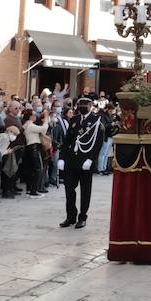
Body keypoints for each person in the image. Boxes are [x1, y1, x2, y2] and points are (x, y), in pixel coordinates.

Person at [59, 97, 105, 229]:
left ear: (91, 105)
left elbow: (98, 142)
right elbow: (67, 141)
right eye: (80, 104)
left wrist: (91, 159)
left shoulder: (96, 121)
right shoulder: (74, 120)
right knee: (69, 189)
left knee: (85, 191)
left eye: (85, 104)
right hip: (71, 160)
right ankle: (70, 216)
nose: (82, 106)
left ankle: (82, 216)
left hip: (86, 161)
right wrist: (62, 157)